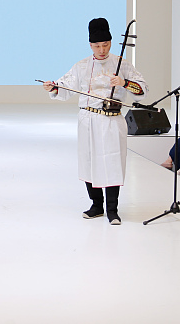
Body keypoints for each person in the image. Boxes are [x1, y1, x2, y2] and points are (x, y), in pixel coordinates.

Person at [43, 18, 148, 225]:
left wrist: (124, 82)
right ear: (90, 45)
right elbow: (65, 85)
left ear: (110, 42)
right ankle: (96, 205)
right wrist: (53, 87)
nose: (101, 50)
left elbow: (142, 90)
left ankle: (112, 209)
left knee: (112, 162)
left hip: (111, 120)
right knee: (89, 161)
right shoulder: (82, 66)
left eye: (105, 45)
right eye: (97, 46)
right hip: (88, 119)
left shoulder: (122, 64)